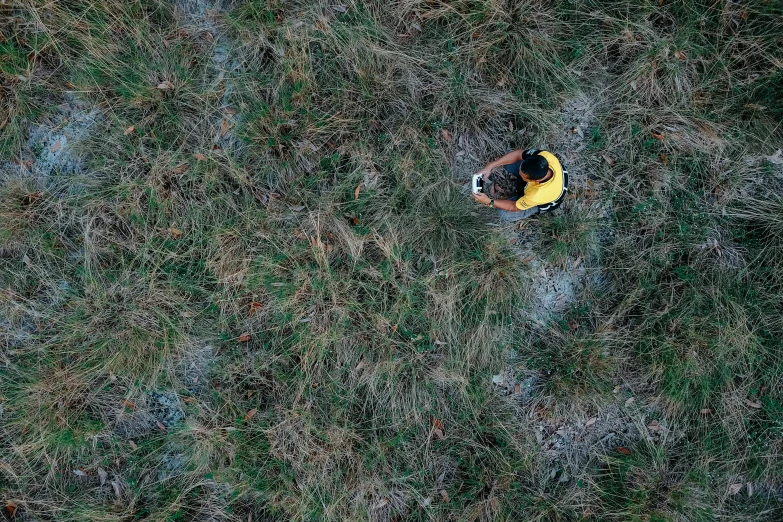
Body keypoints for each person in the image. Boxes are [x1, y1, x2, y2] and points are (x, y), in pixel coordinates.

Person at [471, 148, 569, 222]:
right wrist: (490, 166)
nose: (519, 172)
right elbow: (519, 154)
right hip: (541, 178)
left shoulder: (536, 195)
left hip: (542, 201)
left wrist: (489, 201)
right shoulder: (545, 157)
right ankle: (523, 180)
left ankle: (529, 207)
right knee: (512, 164)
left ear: (535, 181)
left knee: (504, 214)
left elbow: (514, 207)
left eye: (523, 176)